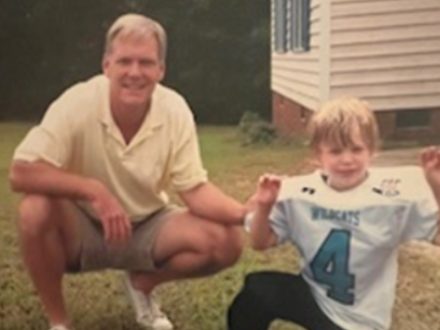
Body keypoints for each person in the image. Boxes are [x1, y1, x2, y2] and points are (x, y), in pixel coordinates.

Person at [9, 13, 246, 330]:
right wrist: (94, 191)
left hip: (148, 224)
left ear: (161, 70)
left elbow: (194, 190)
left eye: (146, 63)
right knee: (33, 209)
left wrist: (248, 215)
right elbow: (21, 172)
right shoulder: (78, 102)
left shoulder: (175, 109)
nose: (135, 72)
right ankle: (59, 322)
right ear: (106, 65)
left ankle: (142, 284)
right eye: (124, 61)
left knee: (227, 241)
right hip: (81, 226)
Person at [227, 97, 440, 330]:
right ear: (319, 155)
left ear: (372, 150)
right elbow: (260, 242)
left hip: (360, 321)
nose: (347, 160)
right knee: (257, 292)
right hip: (314, 295)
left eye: (356, 149)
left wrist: (436, 187)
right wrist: (265, 205)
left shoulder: (394, 196)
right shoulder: (301, 192)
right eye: (336, 151)